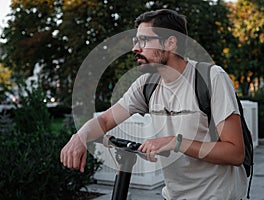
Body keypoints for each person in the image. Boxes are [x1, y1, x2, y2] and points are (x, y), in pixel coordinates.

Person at [60, 9, 247, 199]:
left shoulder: (211, 78)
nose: (135, 48)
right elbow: (106, 120)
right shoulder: (147, 85)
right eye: (136, 41)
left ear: (171, 43)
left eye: (144, 40)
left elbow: (235, 152)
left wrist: (176, 142)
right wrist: (80, 136)